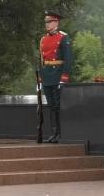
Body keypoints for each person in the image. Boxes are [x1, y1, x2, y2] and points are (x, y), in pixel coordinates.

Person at [39, 10, 73, 143]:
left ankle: (60, 133)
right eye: (46, 22)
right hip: (47, 76)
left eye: (49, 22)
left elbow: (68, 59)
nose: (47, 24)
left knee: (58, 106)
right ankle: (54, 133)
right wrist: (40, 77)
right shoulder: (43, 39)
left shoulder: (63, 37)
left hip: (58, 75)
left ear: (56, 22)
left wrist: (64, 78)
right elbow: (42, 60)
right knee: (51, 106)